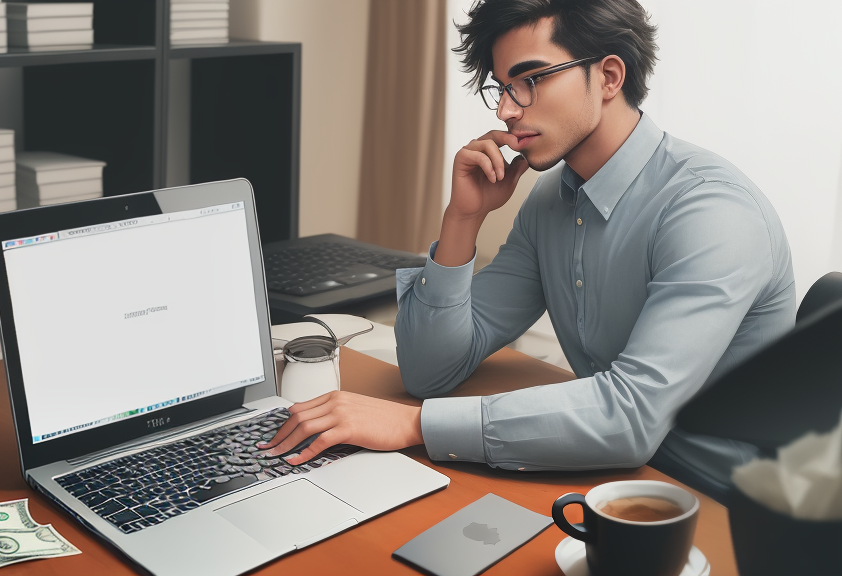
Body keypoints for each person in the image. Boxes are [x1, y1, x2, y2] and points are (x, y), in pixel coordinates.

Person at [258, 0, 794, 502]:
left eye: (530, 81)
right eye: (502, 86)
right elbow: (428, 372)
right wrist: (463, 218)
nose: (507, 109)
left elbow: (631, 418)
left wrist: (414, 425)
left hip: (720, 506)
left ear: (608, 77)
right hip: (606, 476)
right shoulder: (551, 201)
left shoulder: (712, 213)